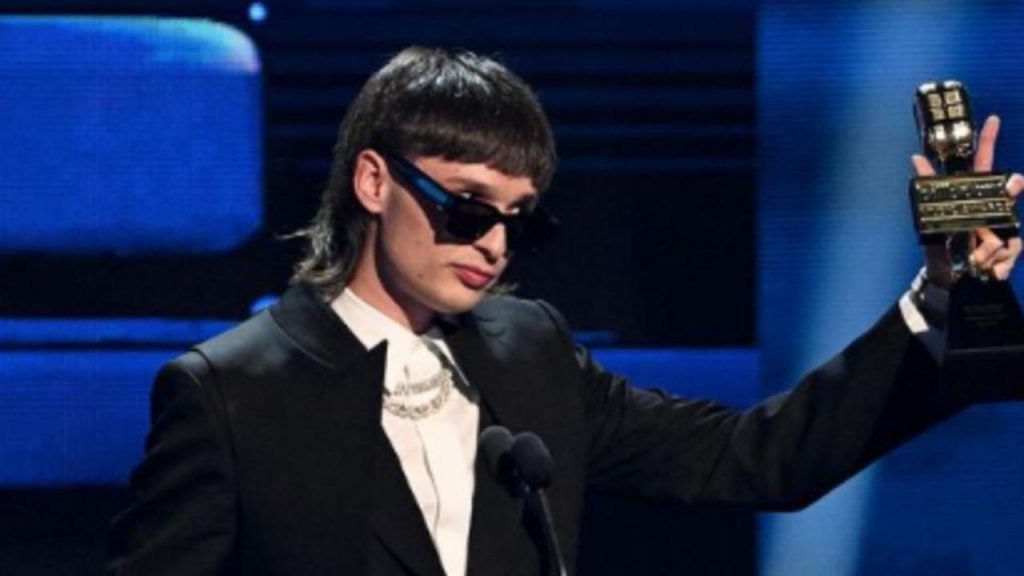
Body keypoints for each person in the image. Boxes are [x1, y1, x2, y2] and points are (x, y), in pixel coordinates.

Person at [107, 46, 1024, 576]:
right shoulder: (227, 392)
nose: (494, 244)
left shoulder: (529, 349)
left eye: (520, 220)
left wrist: (942, 298)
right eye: (468, 207)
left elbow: (758, 459)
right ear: (374, 182)